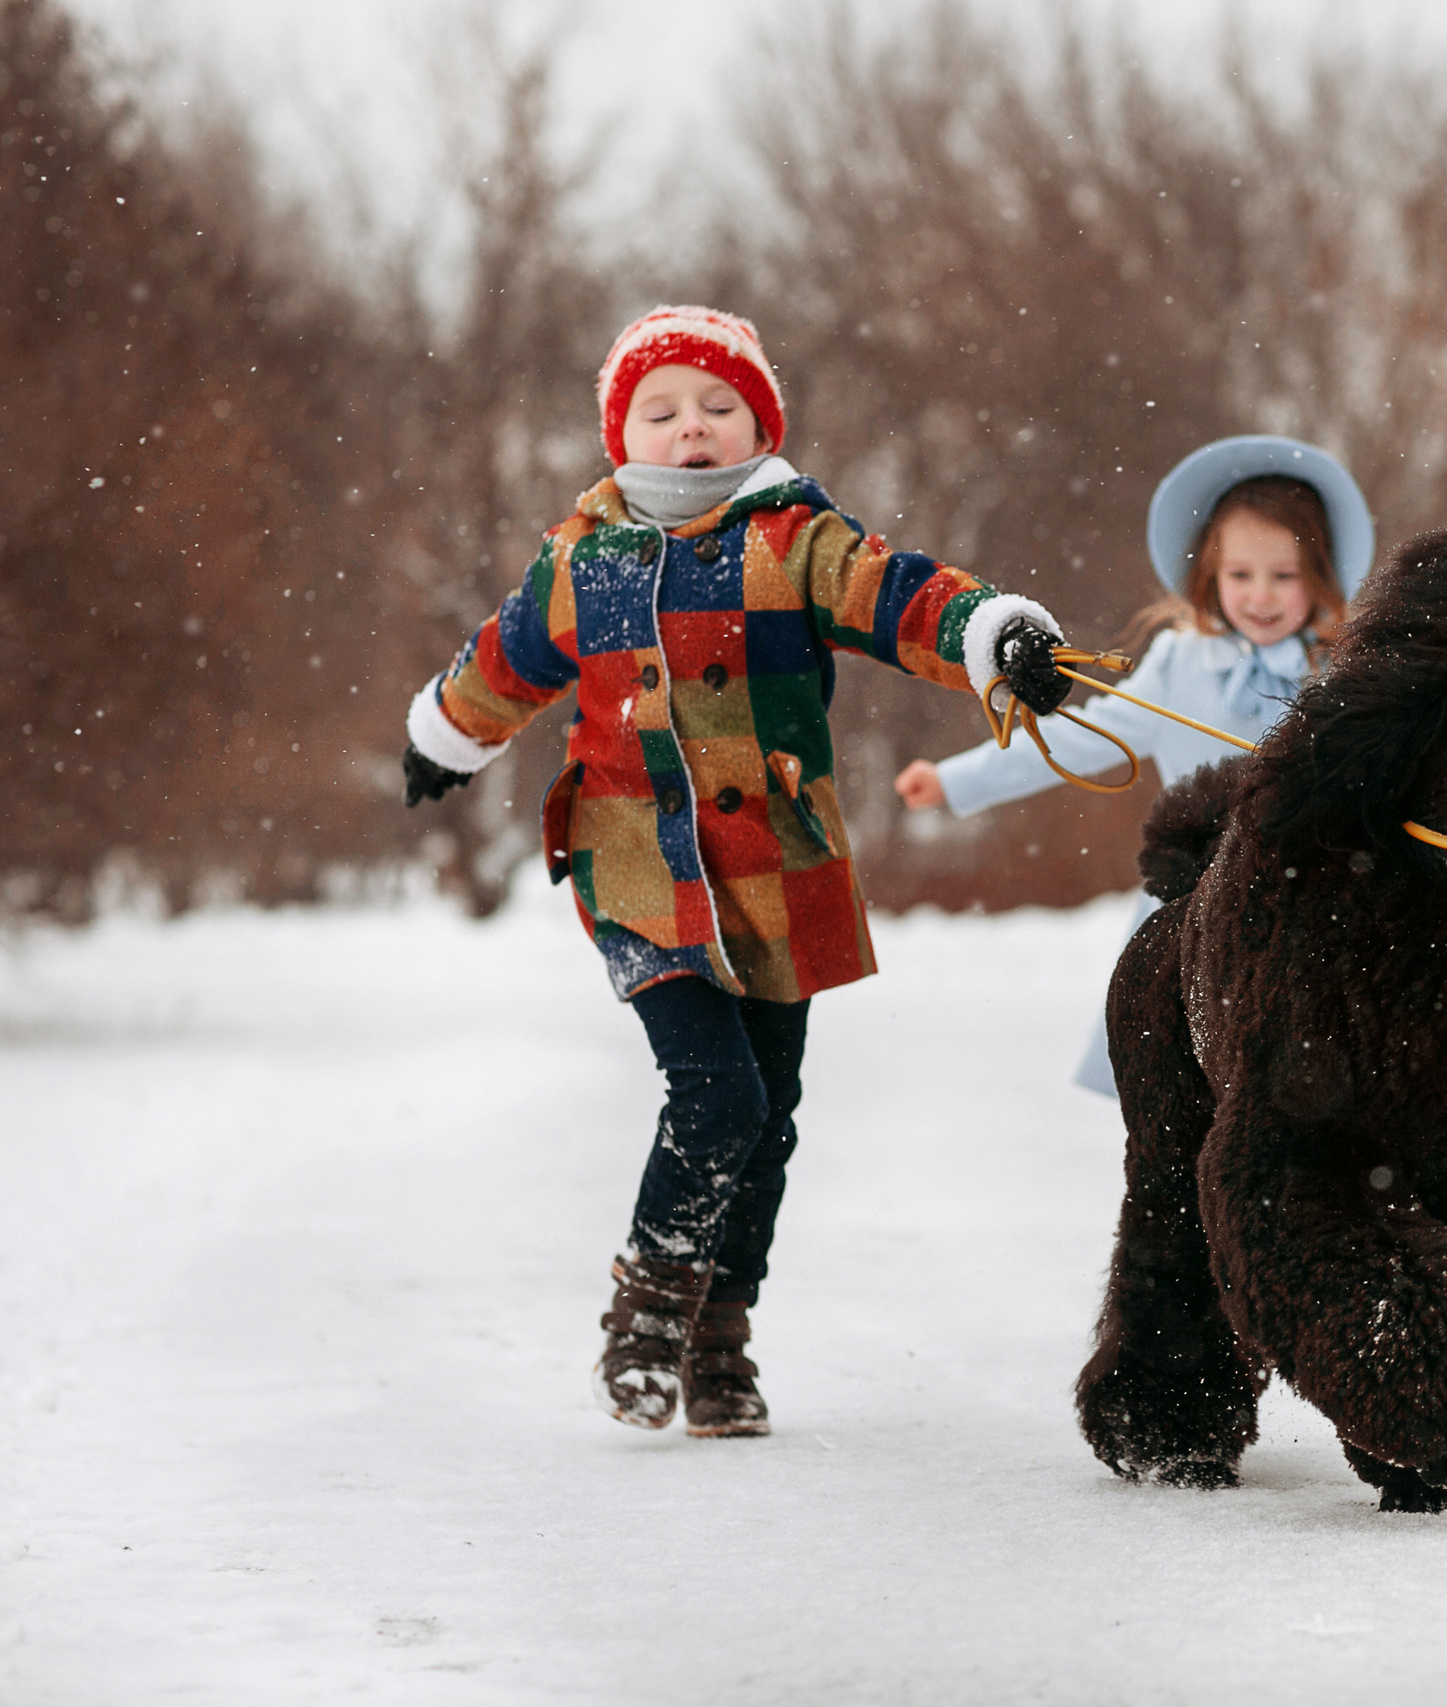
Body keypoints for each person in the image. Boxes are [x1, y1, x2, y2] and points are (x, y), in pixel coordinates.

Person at [398, 305, 1073, 1438]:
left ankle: (720, 1339)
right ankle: (648, 1313)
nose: (692, 429)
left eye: (720, 407)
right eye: (660, 412)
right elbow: (507, 657)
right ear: (622, 437)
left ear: (761, 427)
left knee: (769, 1118)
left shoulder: (797, 540)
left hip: (775, 874)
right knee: (718, 1095)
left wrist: (988, 636)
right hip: (637, 873)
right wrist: (443, 735)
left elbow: (900, 595)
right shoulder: (583, 558)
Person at [893, 435, 1373, 1095]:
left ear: (1319, 574)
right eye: (1240, 575)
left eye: (1283, 576)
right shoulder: (1179, 665)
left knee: (1293, 1088)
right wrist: (955, 781)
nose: (1260, 595)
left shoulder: (1346, 675)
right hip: (1193, 911)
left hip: (1308, 913)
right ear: (1210, 574)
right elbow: (1077, 739)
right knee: (1182, 1089)